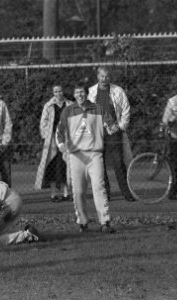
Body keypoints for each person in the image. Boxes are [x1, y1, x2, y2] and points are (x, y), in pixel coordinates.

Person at [56, 82, 117, 233]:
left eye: (82, 92)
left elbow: (110, 125)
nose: (80, 95)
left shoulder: (98, 109)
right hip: (76, 156)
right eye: (77, 93)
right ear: (74, 95)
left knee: (99, 188)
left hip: (95, 154)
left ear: (86, 93)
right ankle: (83, 222)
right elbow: (59, 132)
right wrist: (62, 146)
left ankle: (105, 222)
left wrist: (113, 128)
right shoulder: (68, 111)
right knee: (78, 191)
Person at [87, 67, 135, 202]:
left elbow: (126, 110)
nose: (104, 79)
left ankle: (127, 193)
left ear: (110, 77)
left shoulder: (118, 91)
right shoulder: (91, 92)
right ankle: (105, 194)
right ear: (98, 76)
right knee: (99, 165)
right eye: (102, 76)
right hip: (97, 132)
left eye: (107, 76)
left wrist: (120, 127)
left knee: (119, 163)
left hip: (113, 131)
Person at [35, 84, 73, 202]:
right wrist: (47, 135)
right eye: (55, 91)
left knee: (66, 166)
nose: (58, 93)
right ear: (53, 93)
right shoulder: (48, 106)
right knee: (51, 166)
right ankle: (54, 194)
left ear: (63, 92)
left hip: (66, 139)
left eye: (60, 91)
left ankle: (67, 193)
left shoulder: (70, 105)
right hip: (52, 141)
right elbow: (43, 123)